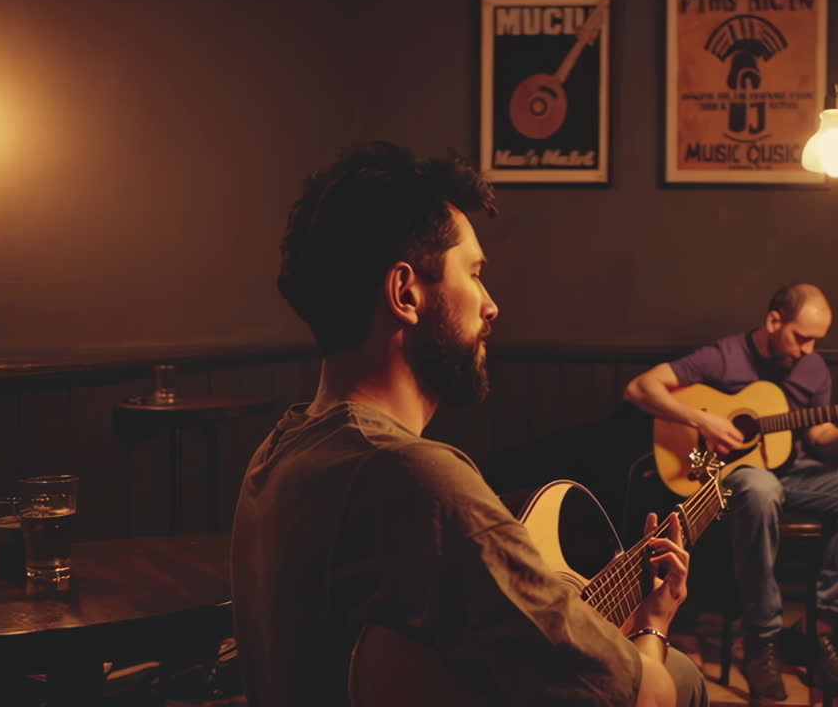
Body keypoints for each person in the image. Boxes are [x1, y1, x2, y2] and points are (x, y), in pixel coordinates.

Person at [230, 141, 708, 707]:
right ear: (406, 292)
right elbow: (646, 697)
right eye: (475, 273)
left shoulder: (278, 452)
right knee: (682, 678)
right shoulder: (417, 478)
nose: (491, 304)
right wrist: (652, 621)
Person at [624, 283, 838, 704]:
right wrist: (705, 422)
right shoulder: (723, 356)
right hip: (738, 478)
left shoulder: (814, 368)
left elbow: (820, 438)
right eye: (801, 337)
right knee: (760, 486)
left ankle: (818, 628)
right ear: (773, 321)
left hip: (794, 470)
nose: (809, 349)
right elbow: (640, 388)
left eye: (817, 339)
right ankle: (762, 636)